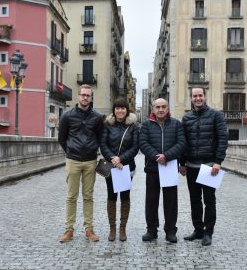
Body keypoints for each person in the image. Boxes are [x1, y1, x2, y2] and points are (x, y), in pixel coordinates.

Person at [180, 87, 228, 246]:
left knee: (209, 200)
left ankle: (208, 232)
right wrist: (182, 163)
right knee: (195, 200)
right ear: (191, 98)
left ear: (205, 96)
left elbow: (222, 139)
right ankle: (198, 230)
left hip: (209, 166)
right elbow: (183, 142)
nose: (198, 98)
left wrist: (218, 161)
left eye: (200, 95)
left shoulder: (216, 115)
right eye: (195, 96)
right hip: (191, 165)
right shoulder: (186, 118)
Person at [58, 84, 103, 243]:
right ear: (78, 96)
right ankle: (69, 229)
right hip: (73, 160)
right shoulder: (67, 116)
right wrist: (71, 150)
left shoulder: (97, 117)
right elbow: (61, 138)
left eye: (88, 95)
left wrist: (92, 150)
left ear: (91, 98)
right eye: (83, 95)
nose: (85, 98)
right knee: (71, 196)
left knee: (88, 196)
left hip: (91, 161)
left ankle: (89, 229)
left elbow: (100, 138)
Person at [139, 98, 185, 243]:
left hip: (170, 166)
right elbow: (143, 143)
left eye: (163, 107)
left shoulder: (176, 124)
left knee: (171, 202)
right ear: (153, 109)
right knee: (151, 201)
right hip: (152, 168)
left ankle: (171, 231)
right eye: (157, 107)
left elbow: (182, 143)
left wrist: (167, 156)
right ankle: (151, 230)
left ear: (167, 108)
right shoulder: (146, 125)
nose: (160, 109)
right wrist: (156, 156)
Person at [100, 98, 139, 242]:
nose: (120, 111)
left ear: (127, 110)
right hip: (110, 167)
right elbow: (103, 145)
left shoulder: (133, 127)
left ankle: (122, 228)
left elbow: (135, 147)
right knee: (111, 197)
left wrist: (121, 159)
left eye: (123, 108)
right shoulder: (107, 125)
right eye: (117, 108)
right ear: (114, 110)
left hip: (126, 167)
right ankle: (112, 228)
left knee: (125, 197)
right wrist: (113, 158)